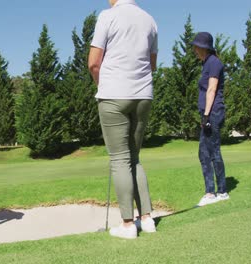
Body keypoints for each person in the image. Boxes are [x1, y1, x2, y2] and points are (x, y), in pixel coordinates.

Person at [88, 0, 158, 239]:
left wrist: (103, 85)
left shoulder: (107, 16)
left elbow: (93, 62)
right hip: (143, 95)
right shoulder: (150, 20)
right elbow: (152, 65)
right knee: (134, 158)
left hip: (114, 94)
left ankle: (128, 225)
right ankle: (147, 219)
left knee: (119, 160)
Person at [191, 32, 230, 207]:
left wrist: (206, 116)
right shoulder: (207, 63)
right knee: (205, 152)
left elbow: (212, 89)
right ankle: (215, 191)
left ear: (203, 47)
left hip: (213, 112)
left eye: (196, 46)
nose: (194, 49)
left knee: (211, 151)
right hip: (209, 113)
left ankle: (218, 192)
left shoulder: (214, 63)